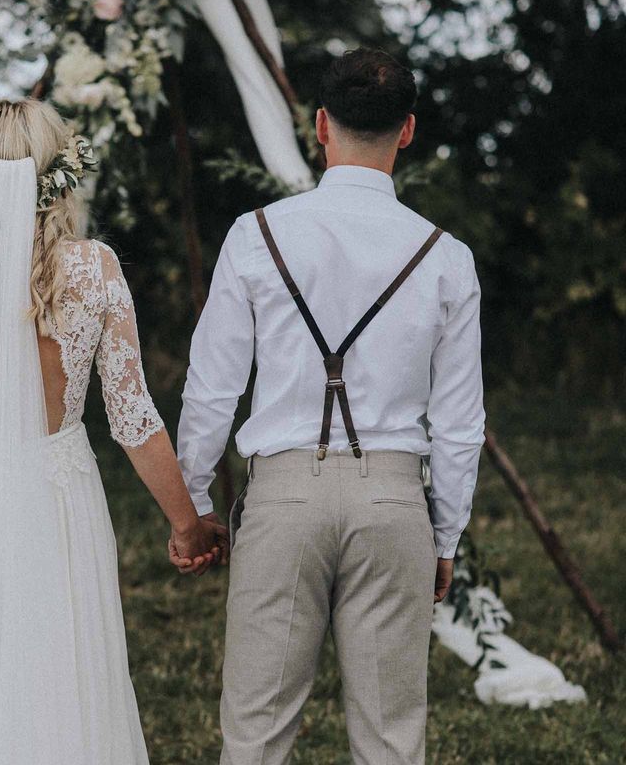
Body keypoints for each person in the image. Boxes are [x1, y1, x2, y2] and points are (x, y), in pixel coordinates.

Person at [0, 99, 222, 764]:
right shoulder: (94, 268)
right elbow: (133, 416)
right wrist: (187, 522)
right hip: (56, 493)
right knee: (55, 664)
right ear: (61, 174)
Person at [177, 48, 486, 764]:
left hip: (283, 498)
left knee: (255, 730)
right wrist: (444, 536)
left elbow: (213, 386)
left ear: (320, 124)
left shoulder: (256, 235)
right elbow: (461, 423)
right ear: (407, 131)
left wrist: (195, 504)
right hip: (393, 501)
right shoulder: (445, 255)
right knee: (391, 735)